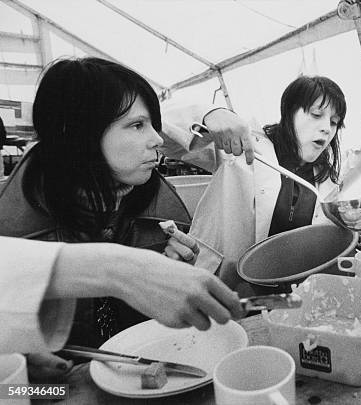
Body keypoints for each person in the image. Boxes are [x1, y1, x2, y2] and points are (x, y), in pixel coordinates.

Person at [0, 57, 237, 350]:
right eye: (137, 125)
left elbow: (142, 331)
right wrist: (24, 359)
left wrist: (167, 275)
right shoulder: (15, 234)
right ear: (77, 134)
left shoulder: (157, 202)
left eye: (152, 124)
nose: (156, 140)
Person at [189, 75, 348, 294]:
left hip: (286, 298)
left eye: (334, 122)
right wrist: (211, 114)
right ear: (289, 112)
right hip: (223, 287)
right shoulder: (243, 150)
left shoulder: (324, 178)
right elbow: (166, 135)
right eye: (316, 115)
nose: (327, 129)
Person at [0, 237, 244, 379]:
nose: (160, 145)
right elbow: (15, 392)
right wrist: (22, 386)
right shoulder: (22, 219)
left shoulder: (156, 204)